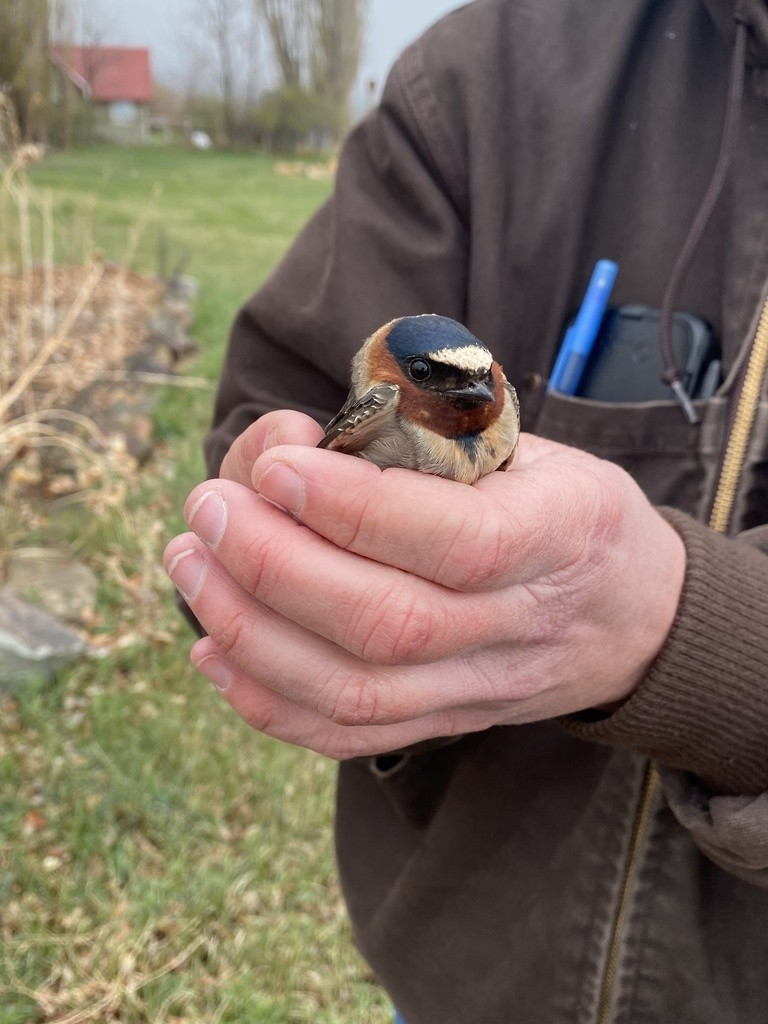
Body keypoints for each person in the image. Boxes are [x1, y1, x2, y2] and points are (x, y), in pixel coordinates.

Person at [164, 0, 768, 1020]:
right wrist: (276, 543)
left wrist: (686, 633)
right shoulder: (488, 70)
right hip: (464, 977)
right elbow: (276, 411)